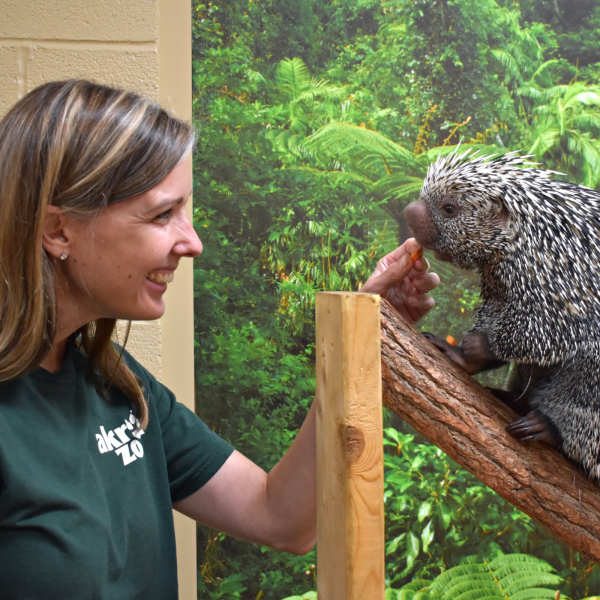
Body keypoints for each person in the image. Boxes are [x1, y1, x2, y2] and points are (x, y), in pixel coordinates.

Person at [0, 80, 440, 599]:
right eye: (162, 214)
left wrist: (362, 343)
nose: (193, 243)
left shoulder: (116, 384)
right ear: (59, 232)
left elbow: (281, 516)